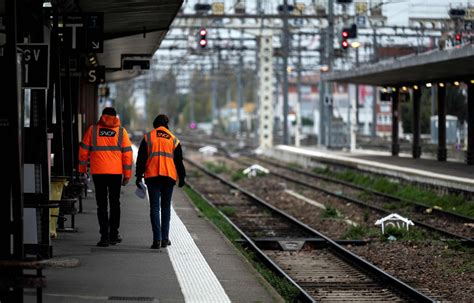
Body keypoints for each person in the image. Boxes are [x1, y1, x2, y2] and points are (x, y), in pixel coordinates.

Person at [78, 107, 133, 247]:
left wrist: (82, 170)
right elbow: (127, 155)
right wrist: (127, 175)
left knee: (101, 204)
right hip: (115, 173)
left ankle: (104, 237)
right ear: (115, 116)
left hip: (98, 173)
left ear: (102, 116)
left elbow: (83, 151)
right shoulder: (121, 131)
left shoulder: (93, 130)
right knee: (115, 203)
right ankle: (114, 235)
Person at [135, 114, 186, 249]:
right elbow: (179, 161)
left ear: (155, 124)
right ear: (167, 124)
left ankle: (156, 240)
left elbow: (141, 159)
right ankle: (165, 239)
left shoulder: (148, 137)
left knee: (155, 208)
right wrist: (182, 178)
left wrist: (138, 176)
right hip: (168, 177)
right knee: (165, 208)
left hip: (152, 176)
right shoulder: (174, 140)